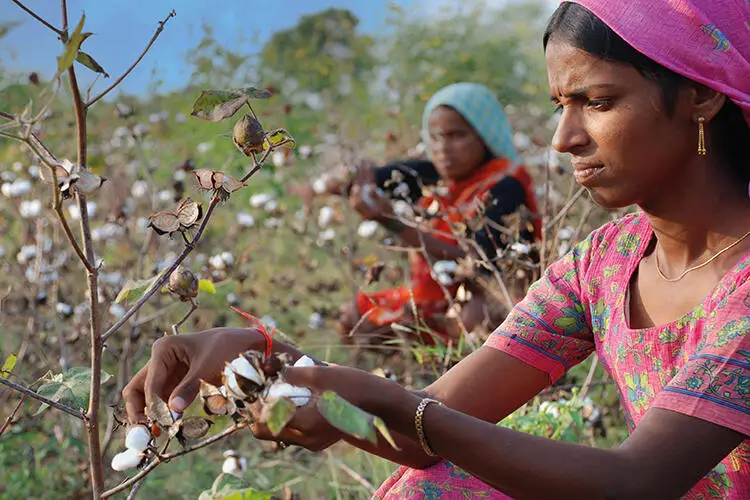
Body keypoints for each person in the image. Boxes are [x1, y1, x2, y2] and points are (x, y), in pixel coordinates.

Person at [123, 1, 750, 498]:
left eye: (598, 102)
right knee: (442, 485)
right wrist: (272, 367)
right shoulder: (606, 263)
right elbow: (428, 430)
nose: (563, 138)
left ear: (702, 93)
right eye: (561, 104)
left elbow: (637, 483)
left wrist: (380, 399)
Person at [301, 83, 542, 345]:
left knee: (472, 320)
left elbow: (475, 262)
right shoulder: (429, 176)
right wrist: (343, 181)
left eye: (457, 135)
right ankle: (410, 374)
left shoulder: (506, 185)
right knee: (354, 318)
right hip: (434, 296)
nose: (443, 148)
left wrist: (392, 222)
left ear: (485, 134)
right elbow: (365, 177)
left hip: (489, 299)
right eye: (436, 137)